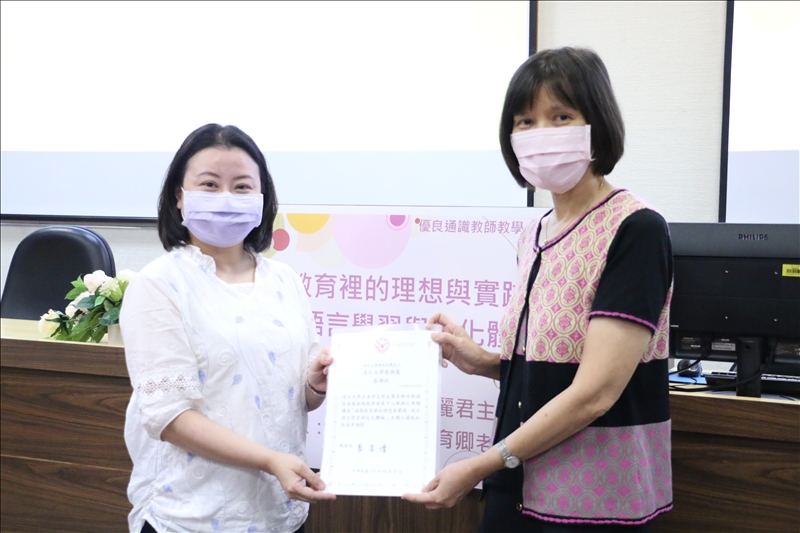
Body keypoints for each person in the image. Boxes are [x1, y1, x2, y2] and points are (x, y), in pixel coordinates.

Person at [403, 47, 673, 532]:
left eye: (561, 116)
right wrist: (483, 361)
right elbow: (553, 366)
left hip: (593, 502)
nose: (541, 134)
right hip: (517, 486)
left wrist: (480, 465)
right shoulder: (536, 232)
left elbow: (595, 392)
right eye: (525, 122)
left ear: (597, 123)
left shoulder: (636, 229)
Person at [120, 124, 335, 533]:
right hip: (192, 517)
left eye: (241, 187)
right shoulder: (159, 284)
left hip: (281, 512)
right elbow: (170, 416)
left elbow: (296, 399)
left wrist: (315, 384)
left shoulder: (285, 280)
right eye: (209, 184)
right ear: (179, 197)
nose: (226, 198)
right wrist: (269, 460)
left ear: (262, 198)